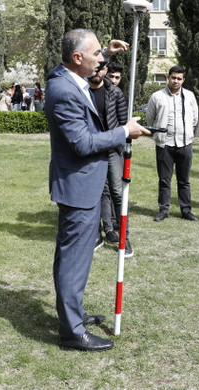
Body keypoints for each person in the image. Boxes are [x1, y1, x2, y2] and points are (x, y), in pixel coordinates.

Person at [44, 28, 149, 352]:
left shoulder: (67, 75)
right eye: (97, 55)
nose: (102, 59)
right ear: (77, 59)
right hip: (79, 187)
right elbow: (82, 143)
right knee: (73, 258)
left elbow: (85, 58)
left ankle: (71, 315)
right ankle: (72, 332)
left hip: (83, 184)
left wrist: (108, 50)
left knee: (73, 257)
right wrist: (124, 132)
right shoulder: (63, 90)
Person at [87, 62, 132, 256]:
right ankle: (96, 233)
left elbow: (124, 124)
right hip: (90, 149)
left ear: (106, 71)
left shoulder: (115, 93)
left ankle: (124, 236)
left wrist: (123, 147)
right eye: (95, 68)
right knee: (93, 193)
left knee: (117, 192)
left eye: (102, 68)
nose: (98, 72)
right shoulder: (80, 91)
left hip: (113, 149)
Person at [146, 65, 199, 222]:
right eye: (173, 77)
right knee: (164, 180)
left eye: (179, 78)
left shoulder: (189, 96)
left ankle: (186, 210)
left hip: (184, 143)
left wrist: (186, 132)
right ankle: (164, 210)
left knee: (184, 180)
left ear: (183, 80)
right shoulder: (157, 96)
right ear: (168, 77)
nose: (176, 81)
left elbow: (194, 118)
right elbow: (150, 118)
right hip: (164, 144)